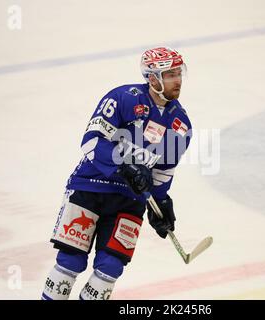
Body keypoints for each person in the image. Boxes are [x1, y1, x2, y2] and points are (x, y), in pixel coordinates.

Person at [41, 47, 192, 300]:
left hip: (130, 200)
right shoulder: (123, 98)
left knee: (110, 267)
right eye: (170, 74)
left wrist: (161, 204)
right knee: (71, 260)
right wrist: (123, 165)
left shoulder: (181, 125)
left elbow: (162, 173)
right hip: (90, 186)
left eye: (179, 73)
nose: (177, 80)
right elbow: (91, 142)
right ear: (152, 78)